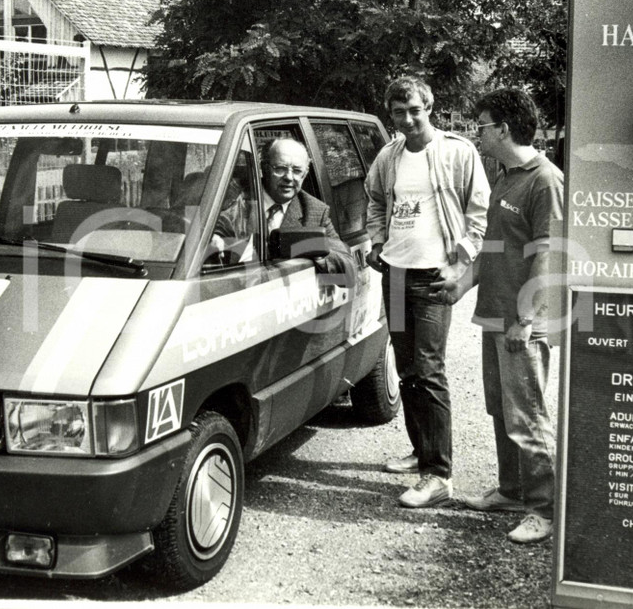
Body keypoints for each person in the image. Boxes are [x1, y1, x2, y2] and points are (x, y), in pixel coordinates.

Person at [365, 76, 489, 508]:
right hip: (395, 275)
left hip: (433, 278)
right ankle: (421, 453)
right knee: (406, 369)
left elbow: (480, 210)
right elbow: (377, 201)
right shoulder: (389, 155)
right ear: (391, 115)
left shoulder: (457, 151)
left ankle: (439, 476)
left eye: (415, 110)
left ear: (430, 107)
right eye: (399, 112)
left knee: (429, 369)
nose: (408, 119)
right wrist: (377, 242)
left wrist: (463, 259)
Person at [459, 87, 563, 544]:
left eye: (480, 126)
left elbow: (549, 257)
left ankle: (545, 509)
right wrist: (461, 284)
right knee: (500, 409)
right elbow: (494, 247)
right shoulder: (505, 175)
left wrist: (526, 318)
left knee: (528, 417)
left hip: (524, 321)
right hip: (496, 315)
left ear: (502, 129)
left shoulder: (546, 180)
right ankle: (513, 491)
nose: (476, 134)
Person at [215, 138, 353, 277]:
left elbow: (348, 267)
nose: (289, 177)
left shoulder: (314, 211)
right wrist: (215, 240)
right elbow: (218, 227)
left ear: (305, 174)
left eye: (297, 171)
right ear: (264, 168)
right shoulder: (236, 198)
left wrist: (316, 253)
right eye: (280, 168)